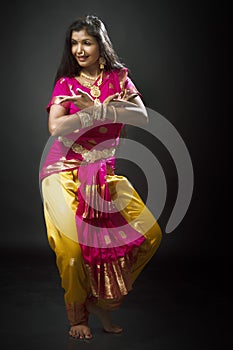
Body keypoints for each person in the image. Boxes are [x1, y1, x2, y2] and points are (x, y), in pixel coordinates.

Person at [39, 14, 162, 340]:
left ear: (100, 44)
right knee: (72, 250)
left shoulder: (120, 79)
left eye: (86, 42)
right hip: (61, 170)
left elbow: (142, 116)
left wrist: (94, 108)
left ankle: (100, 299)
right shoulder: (66, 83)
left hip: (102, 172)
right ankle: (78, 315)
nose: (79, 49)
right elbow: (56, 127)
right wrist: (96, 110)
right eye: (74, 43)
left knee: (149, 234)